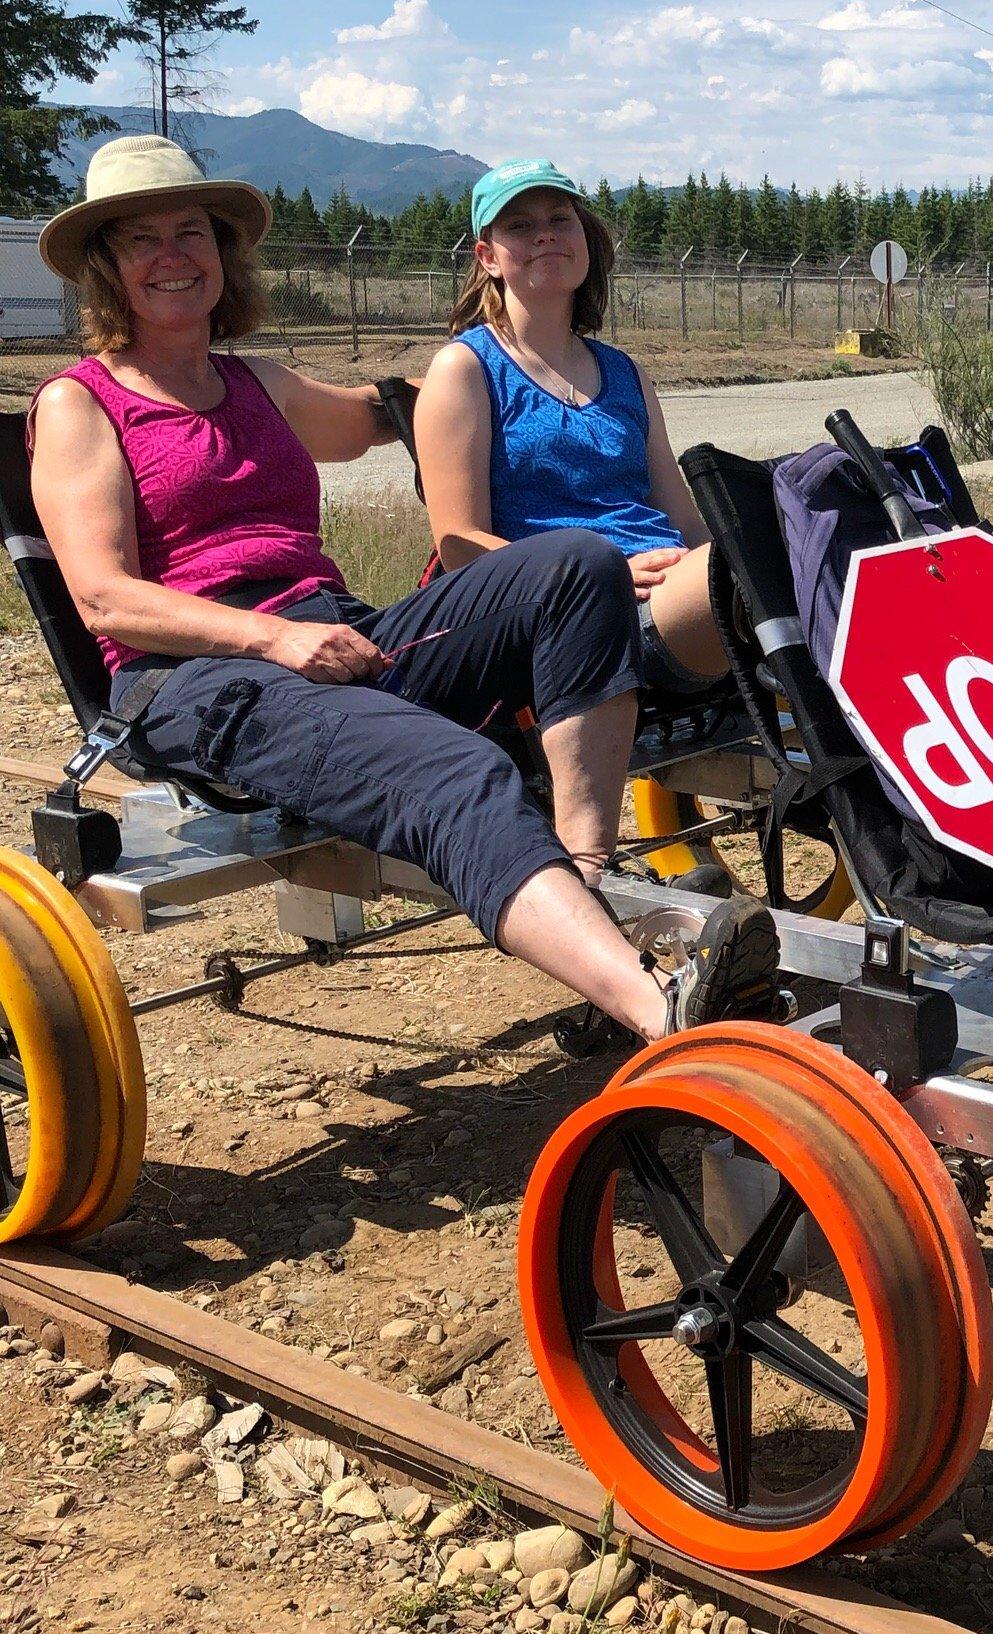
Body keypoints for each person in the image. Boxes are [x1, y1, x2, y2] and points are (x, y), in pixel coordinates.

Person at [27, 133, 777, 1039]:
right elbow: (103, 597)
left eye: (191, 232)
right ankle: (653, 1011)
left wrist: (495, 372)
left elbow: (381, 414)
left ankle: (585, 873)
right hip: (198, 676)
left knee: (575, 561)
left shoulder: (257, 381)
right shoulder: (82, 402)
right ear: (107, 268)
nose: (173, 256)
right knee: (457, 766)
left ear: (223, 254)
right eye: (142, 240)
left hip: (339, 636)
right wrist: (271, 638)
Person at [411, 159, 727, 703]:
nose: (544, 234)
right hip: (585, 619)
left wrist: (734, 554)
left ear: (585, 241)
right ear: (487, 257)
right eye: (518, 225)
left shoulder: (625, 373)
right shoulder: (465, 370)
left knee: (802, 553)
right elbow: (460, 546)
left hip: (680, 590)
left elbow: (681, 514)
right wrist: (598, 576)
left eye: (561, 219)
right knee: (757, 584)